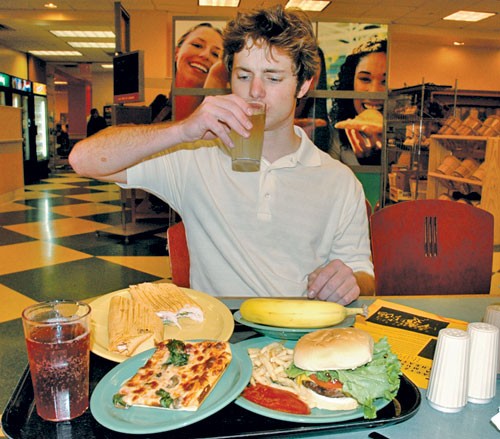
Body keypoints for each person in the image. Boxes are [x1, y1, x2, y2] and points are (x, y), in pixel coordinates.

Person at [70, 5, 375, 305]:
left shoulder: (339, 181)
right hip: (220, 338)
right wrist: (182, 130)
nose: (255, 91)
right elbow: (83, 160)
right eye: (244, 76)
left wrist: (349, 282)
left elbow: (365, 278)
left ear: (304, 85)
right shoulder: (195, 155)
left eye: (272, 78)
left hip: (301, 334)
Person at [328, 37, 387, 166]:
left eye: (385, 81)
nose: (374, 92)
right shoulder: (335, 135)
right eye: (365, 79)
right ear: (350, 84)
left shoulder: (410, 137)